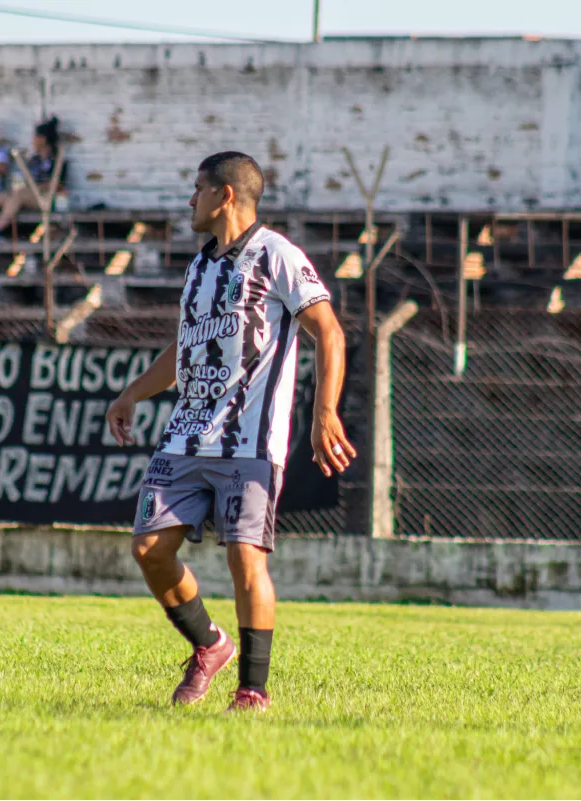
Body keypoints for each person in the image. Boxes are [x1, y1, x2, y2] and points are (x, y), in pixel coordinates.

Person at [105, 151, 356, 714]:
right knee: (149, 548)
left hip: (249, 441)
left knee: (246, 559)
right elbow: (186, 347)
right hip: (186, 435)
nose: (189, 200)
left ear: (225, 195)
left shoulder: (277, 255)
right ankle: (208, 645)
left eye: (197, 189)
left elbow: (330, 332)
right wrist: (131, 394)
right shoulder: (199, 266)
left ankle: (252, 690)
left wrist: (324, 413)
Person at [0, 116, 68, 242]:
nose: (33, 140)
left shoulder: (58, 159)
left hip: (46, 198)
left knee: (19, 195)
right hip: (28, 194)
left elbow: (58, 184)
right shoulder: (34, 160)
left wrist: (33, 188)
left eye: (35, 137)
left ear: (43, 139)